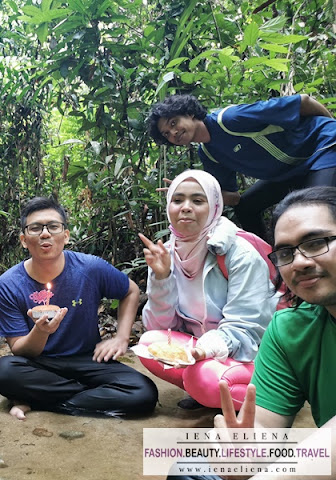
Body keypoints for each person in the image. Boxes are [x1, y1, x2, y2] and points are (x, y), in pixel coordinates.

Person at [169, 186, 336, 479]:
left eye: (316, 242)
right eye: (286, 252)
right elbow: (264, 427)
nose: (299, 262)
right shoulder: (289, 327)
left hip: (235, 351)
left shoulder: (238, 253)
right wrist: (244, 450)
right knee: (191, 470)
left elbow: (242, 324)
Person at [0, 196, 158, 420]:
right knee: (4, 371)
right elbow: (20, 350)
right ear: (23, 239)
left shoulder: (90, 268)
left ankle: (38, 399)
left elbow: (131, 291)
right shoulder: (8, 284)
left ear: (66, 236)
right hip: (39, 364)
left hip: (88, 359)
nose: (45, 233)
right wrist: (41, 332)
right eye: (35, 228)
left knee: (144, 392)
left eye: (53, 226)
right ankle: (85, 397)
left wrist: (121, 338)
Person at [138, 170, 278, 410]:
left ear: (215, 206)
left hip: (253, 354)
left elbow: (246, 329)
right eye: (178, 199)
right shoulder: (166, 253)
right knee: (149, 343)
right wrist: (161, 278)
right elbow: (160, 328)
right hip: (206, 355)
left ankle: (273, 398)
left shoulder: (239, 253)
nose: (186, 207)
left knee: (202, 378)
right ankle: (206, 387)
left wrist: (203, 350)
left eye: (198, 200)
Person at [147, 94, 336, 239]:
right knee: (246, 207)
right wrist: (194, 193)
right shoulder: (208, 154)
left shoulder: (229, 119)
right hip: (291, 171)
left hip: (323, 146)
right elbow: (233, 198)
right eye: (166, 134)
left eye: (174, 123)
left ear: (189, 113)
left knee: (316, 207)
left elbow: (303, 102)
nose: (173, 132)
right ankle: (270, 263)